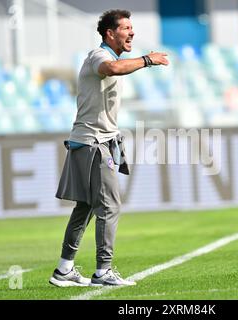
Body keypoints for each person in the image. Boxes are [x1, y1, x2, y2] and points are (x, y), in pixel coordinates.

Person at [49, 9, 169, 287]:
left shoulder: (113, 58)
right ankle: (103, 270)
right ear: (110, 34)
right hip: (93, 143)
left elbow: (118, 67)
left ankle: (65, 268)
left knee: (86, 207)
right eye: (126, 27)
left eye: (131, 27)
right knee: (110, 205)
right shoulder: (99, 56)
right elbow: (112, 69)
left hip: (95, 141)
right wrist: (148, 60)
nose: (132, 32)